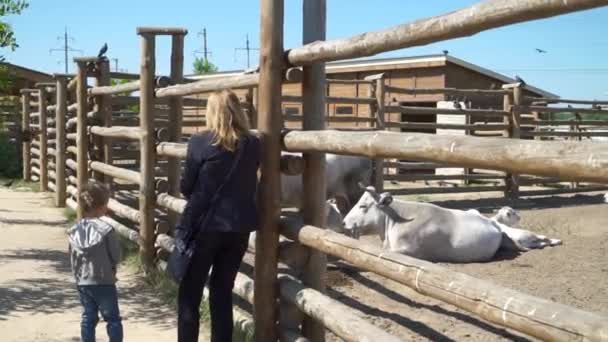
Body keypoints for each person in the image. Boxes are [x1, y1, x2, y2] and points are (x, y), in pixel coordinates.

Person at [177, 89, 260, 342]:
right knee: (222, 293)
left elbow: (186, 187)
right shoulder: (255, 144)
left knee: (190, 294)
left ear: (212, 112)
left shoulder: (200, 142)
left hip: (204, 227)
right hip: (238, 228)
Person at [67, 180, 123, 342]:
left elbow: (72, 256)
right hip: (105, 280)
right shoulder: (106, 230)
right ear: (101, 206)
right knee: (112, 319)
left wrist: (77, 276)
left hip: (83, 282)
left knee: (88, 317)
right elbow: (116, 256)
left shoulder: (74, 231)